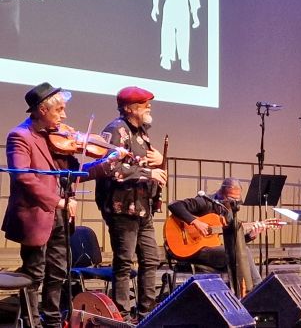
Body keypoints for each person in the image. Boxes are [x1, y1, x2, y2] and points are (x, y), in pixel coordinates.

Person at [1, 82, 127, 328]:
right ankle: (32, 320)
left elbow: (77, 173)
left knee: (58, 272)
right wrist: (57, 200)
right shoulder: (20, 136)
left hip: (59, 217)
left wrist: (109, 161)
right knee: (35, 273)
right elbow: (24, 177)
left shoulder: (57, 137)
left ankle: (53, 321)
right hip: (36, 215)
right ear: (41, 110)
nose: (64, 115)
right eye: (59, 109)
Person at [95, 86, 167, 322]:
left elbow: (143, 163)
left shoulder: (142, 132)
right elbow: (112, 169)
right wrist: (150, 173)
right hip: (121, 208)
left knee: (151, 259)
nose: (149, 107)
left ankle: (147, 313)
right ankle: (122, 317)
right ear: (130, 108)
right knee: (124, 262)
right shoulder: (115, 130)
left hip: (142, 207)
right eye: (145, 103)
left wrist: (160, 162)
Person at [167, 178, 265, 295]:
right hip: (188, 249)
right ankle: (259, 290)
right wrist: (195, 222)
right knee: (242, 252)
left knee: (240, 252)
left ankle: (243, 294)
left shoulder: (226, 212)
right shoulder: (205, 202)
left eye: (237, 199)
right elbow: (174, 205)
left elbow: (232, 242)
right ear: (221, 193)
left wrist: (250, 235)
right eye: (231, 198)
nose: (234, 202)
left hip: (207, 250)